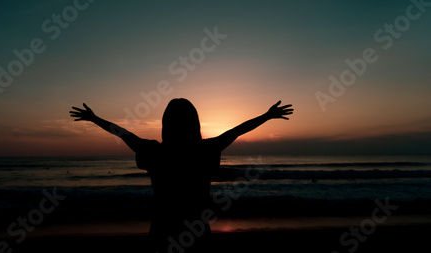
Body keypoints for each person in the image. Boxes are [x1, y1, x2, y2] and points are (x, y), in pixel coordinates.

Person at [70, 98, 293, 252]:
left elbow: (122, 133)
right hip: (196, 229)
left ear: (165, 124)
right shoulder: (206, 149)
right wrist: (267, 115)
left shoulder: (155, 151)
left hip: (162, 227)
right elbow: (238, 130)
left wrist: (94, 118)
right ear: (194, 123)